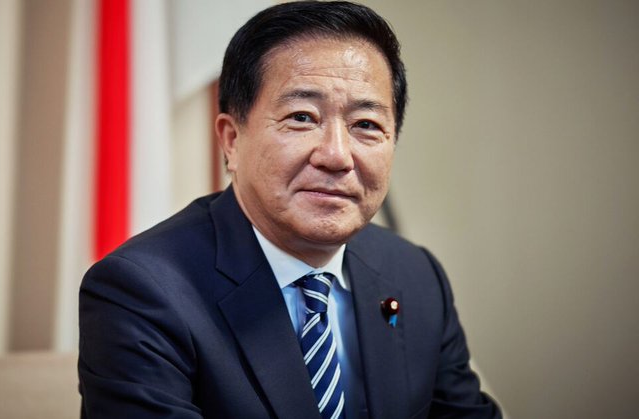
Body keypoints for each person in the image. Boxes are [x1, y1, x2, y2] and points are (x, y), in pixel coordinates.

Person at [78, 1, 501, 418]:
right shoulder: (139, 293)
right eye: (302, 117)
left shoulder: (415, 275)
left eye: (366, 125)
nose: (337, 156)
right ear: (231, 140)